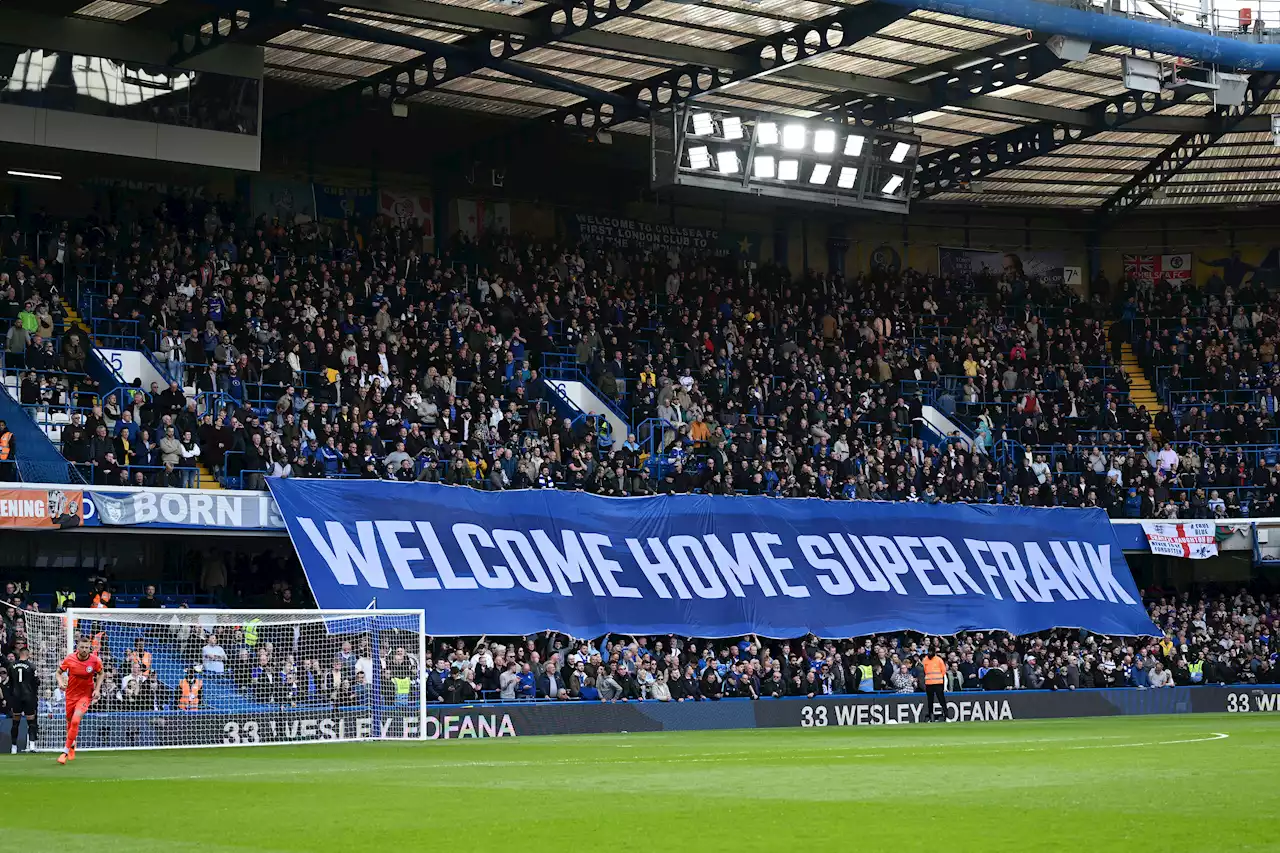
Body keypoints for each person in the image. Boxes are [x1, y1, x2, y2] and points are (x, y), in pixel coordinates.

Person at [56, 635, 103, 764]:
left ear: (90, 648)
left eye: (86, 647)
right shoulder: (70, 659)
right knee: (70, 723)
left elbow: (101, 673)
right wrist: (60, 683)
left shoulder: (95, 661)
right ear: (77, 647)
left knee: (76, 721)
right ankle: (72, 744)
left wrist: (97, 689)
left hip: (85, 695)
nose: (84, 649)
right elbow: (58, 672)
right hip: (71, 694)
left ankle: (64, 752)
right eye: (81, 647)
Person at [3, 645, 39, 752]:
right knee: (31, 722)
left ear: (20, 654)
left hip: (16, 697)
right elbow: (36, 682)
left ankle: (13, 747)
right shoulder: (32, 666)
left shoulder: (11, 665)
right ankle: (32, 745)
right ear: (28, 655)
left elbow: (9, 682)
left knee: (15, 722)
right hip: (28, 697)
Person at [922, 646, 947, 722]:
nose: (929, 653)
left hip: (938, 683)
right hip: (929, 683)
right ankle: (930, 716)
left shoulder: (939, 660)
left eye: (931, 652)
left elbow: (943, 671)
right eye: (929, 652)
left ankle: (946, 715)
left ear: (934, 652)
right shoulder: (925, 660)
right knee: (930, 701)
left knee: (941, 700)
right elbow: (924, 671)